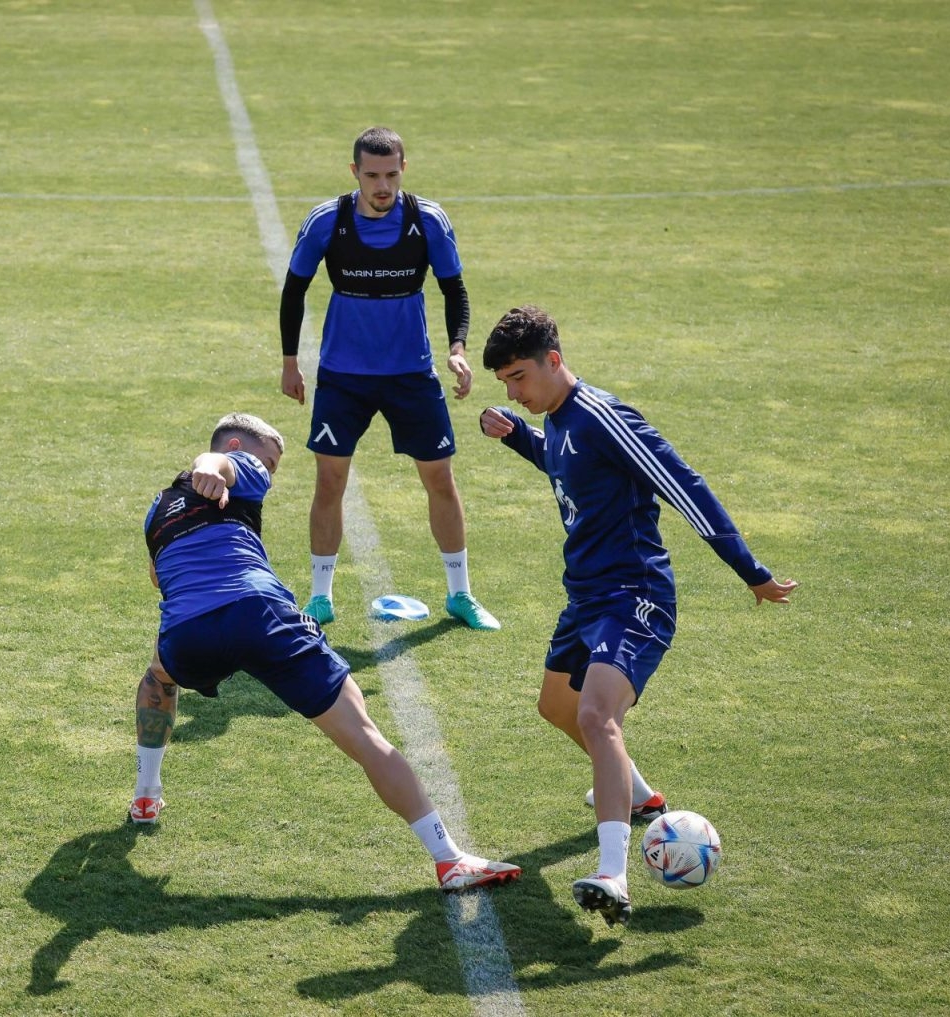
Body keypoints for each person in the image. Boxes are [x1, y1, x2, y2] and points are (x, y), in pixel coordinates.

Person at [478, 305, 797, 924]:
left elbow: (683, 485)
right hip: (586, 597)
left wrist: (750, 571)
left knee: (596, 716)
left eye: (519, 377)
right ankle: (641, 795)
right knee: (556, 707)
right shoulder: (560, 421)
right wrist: (518, 436)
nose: (514, 392)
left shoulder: (603, 416)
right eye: (505, 383)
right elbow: (568, 465)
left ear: (554, 361)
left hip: (634, 595)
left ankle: (614, 876)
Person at [131, 412, 522, 893]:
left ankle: (146, 794)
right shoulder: (237, 465)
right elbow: (218, 464)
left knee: (159, 677)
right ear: (237, 445)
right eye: (270, 464)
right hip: (258, 613)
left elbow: (158, 577)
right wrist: (210, 467)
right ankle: (449, 859)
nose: (269, 475)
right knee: (364, 734)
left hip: (187, 633)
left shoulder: (156, 509)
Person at [279, 126, 498, 631]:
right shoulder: (326, 221)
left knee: (440, 479)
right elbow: (294, 290)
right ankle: (320, 599)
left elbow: (454, 290)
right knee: (329, 480)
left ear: (404, 170)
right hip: (343, 376)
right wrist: (290, 362)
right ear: (354, 172)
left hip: (411, 374)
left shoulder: (428, 220)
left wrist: (458, 349)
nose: (383, 186)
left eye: (392, 175)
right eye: (373, 175)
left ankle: (461, 594)